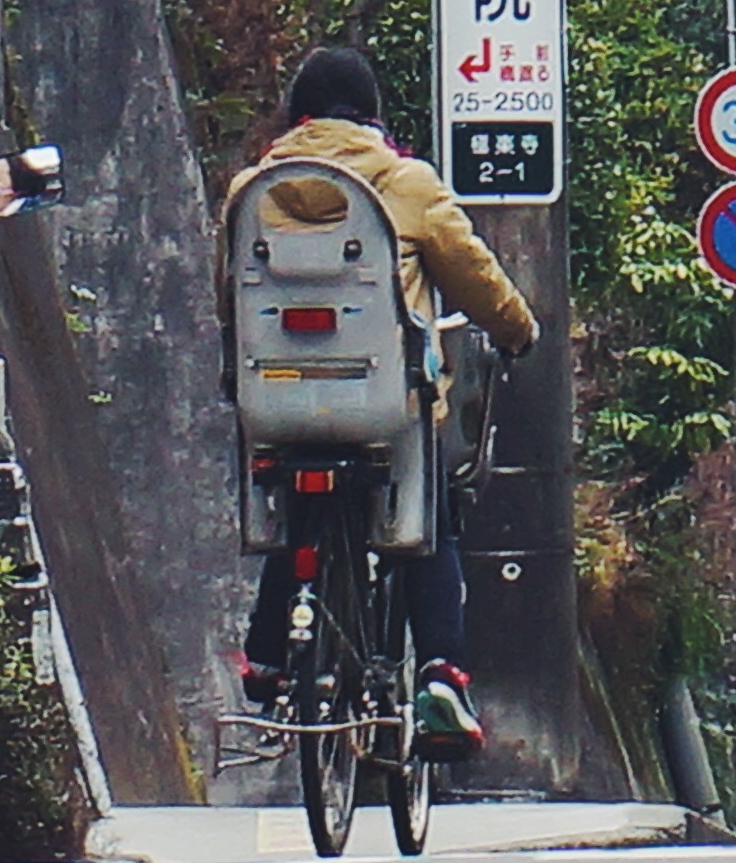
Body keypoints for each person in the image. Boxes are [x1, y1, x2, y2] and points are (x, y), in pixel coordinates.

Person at [220, 45, 539, 750]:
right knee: (428, 522)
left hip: (275, 401)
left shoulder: (252, 191)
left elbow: (231, 302)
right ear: (372, 118)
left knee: (300, 504)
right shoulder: (406, 182)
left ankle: (269, 656)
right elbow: (477, 280)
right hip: (385, 405)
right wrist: (518, 332)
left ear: (295, 117)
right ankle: (440, 678)